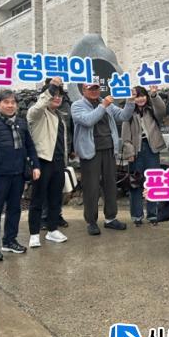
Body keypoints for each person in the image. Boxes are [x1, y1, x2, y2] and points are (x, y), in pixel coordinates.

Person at [0, 90, 41, 261]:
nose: (10, 105)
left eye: (13, 102)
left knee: (14, 209)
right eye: (6, 102)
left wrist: (35, 165)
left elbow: (30, 147)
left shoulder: (21, 123)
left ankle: (10, 241)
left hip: (18, 174)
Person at [71, 80, 135, 235]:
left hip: (109, 149)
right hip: (90, 152)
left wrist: (130, 101)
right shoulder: (77, 105)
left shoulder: (106, 103)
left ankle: (110, 218)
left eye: (96, 88)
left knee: (111, 185)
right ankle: (91, 222)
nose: (94, 91)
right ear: (84, 90)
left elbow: (123, 116)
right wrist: (103, 106)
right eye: (90, 88)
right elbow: (88, 120)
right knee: (91, 188)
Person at [27, 77, 70, 247]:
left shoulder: (60, 116)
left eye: (59, 95)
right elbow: (39, 106)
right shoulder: (37, 113)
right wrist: (52, 87)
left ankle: (52, 230)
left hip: (58, 162)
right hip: (42, 161)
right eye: (54, 95)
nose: (57, 98)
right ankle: (34, 233)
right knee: (37, 199)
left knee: (55, 198)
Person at [121, 85, 167, 225]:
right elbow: (125, 134)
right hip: (136, 150)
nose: (140, 99)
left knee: (153, 182)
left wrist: (154, 95)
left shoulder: (151, 109)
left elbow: (162, 111)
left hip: (152, 149)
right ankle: (137, 215)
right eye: (137, 96)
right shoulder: (128, 112)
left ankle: (153, 214)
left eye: (142, 96)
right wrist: (129, 151)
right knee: (135, 183)